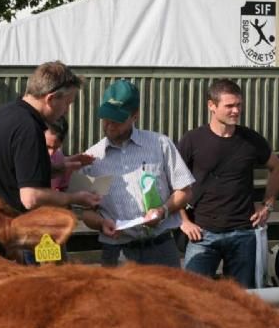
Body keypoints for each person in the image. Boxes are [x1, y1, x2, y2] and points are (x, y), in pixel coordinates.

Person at [177, 78, 279, 288]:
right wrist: (183, 221)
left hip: (243, 234)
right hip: (202, 234)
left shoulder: (251, 140)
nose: (236, 110)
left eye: (239, 105)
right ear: (211, 106)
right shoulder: (192, 140)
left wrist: (268, 204)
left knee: (241, 303)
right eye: (229, 106)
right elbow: (173, 180)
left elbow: (277, 168)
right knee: (192, 297)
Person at [80, 80, 195, 267]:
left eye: (117, 119)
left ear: (135, 116)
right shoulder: (93, 158)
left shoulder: (160, 145)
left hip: (161, 248)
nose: (110, 125)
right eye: (106, 118)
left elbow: (185, 191)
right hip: (117, 251)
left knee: (166, 297)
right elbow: (87, 213)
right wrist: (101, 223)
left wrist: (162, 211)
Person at [0, 61, 101, 214]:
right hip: (8, 224)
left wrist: (62, 167)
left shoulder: (3, 113)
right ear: (51, 99)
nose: (67, 111)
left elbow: (16, 172)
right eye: (67, 103)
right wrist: (73, 198)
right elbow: (31, 197)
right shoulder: (29, 128)